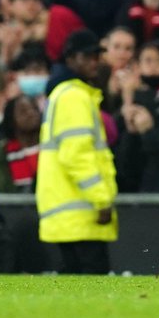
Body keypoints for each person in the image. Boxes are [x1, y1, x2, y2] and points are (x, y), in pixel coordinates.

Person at [37, 30, 118, 274]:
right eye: (87, 56)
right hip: (81, 212)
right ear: (71, 59)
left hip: (69, 213)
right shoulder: (74, 96)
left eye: (96, 56)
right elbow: (76, 156)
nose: (94, 62)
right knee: (94, 284)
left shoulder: (65, 93)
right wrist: (100, 199)